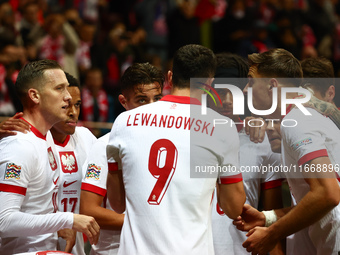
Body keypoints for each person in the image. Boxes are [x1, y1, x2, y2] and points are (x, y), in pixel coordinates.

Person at [106, 44, 246, 254]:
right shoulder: (221, 128)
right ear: (209, 83)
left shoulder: (124, 121)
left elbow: (117, 204)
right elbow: (233, 208)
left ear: (170, 77)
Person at [233, 48, 340, 255]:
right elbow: (321, 200)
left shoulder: (295, 121)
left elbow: (328, 194)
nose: (245, 89)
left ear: (273, 86)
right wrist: (268, 218)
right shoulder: (302, 116)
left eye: (251, 81)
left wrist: (271, 234)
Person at [0, 60, 99, 254]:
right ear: (35, 96)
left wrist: (58, 225)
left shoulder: (45, 138)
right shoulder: (19, 146)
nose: (68, 97)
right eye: (59, 89)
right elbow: (4, 220)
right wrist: (68, 219)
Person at [80, 62, 164, 255]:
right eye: (142, 100)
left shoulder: (172, 142)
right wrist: (148, 223)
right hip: (114, 250)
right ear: (123, 101)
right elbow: (89, 210)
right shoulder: (105, 145)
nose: (151, 108)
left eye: (157, 99)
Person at [209, 53, 284, 255]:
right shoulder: (185, 138)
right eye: (220, 92)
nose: (226, 101)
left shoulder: (262, 141)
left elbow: (271, 224)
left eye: (232, 93)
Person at [51, 72, 98, 254]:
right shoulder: (30, 141)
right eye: (66, 105)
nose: (73, 113)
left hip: (76, 248)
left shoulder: (86, 137)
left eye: (77, 105)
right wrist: (56, 225)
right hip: (34, 245)